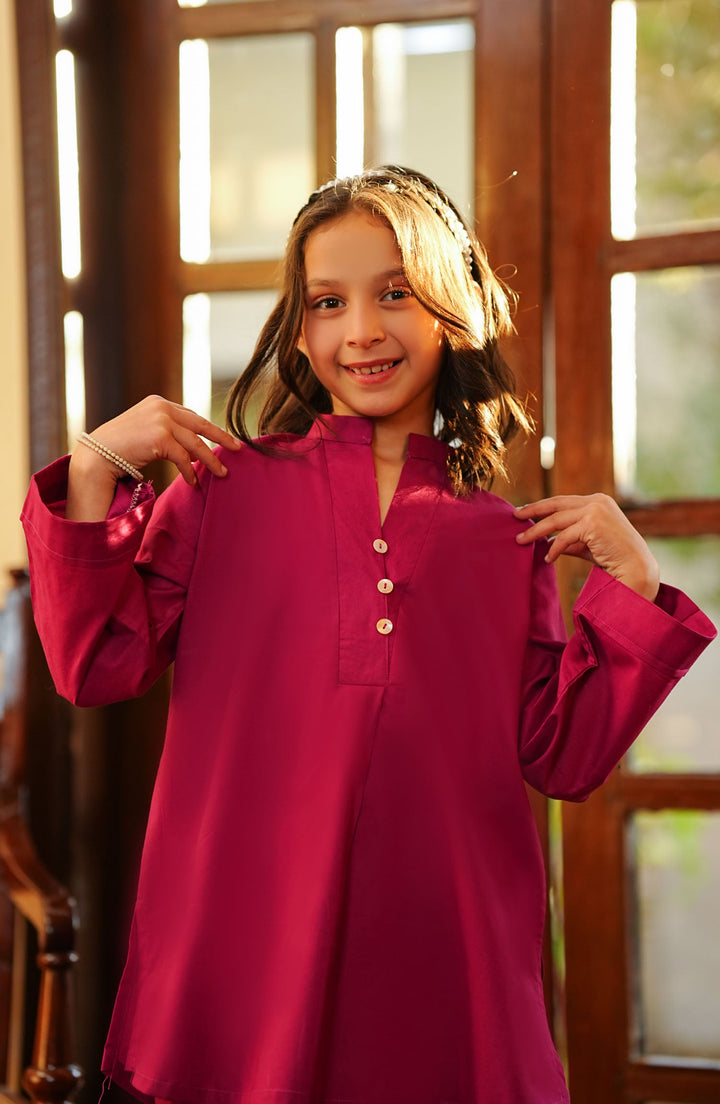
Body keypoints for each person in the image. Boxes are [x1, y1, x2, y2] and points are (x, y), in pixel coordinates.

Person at [21, 166, 715, 1104]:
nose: (361, 331)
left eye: (395, 293)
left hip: (445, 959)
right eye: (328, 302)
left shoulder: (502, 539)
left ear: (452, 305)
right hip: (241, 945)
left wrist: (634, 584)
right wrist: (96, 467)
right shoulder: (222, 494)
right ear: (298, 328)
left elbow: (563, 756)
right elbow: (91, 664)